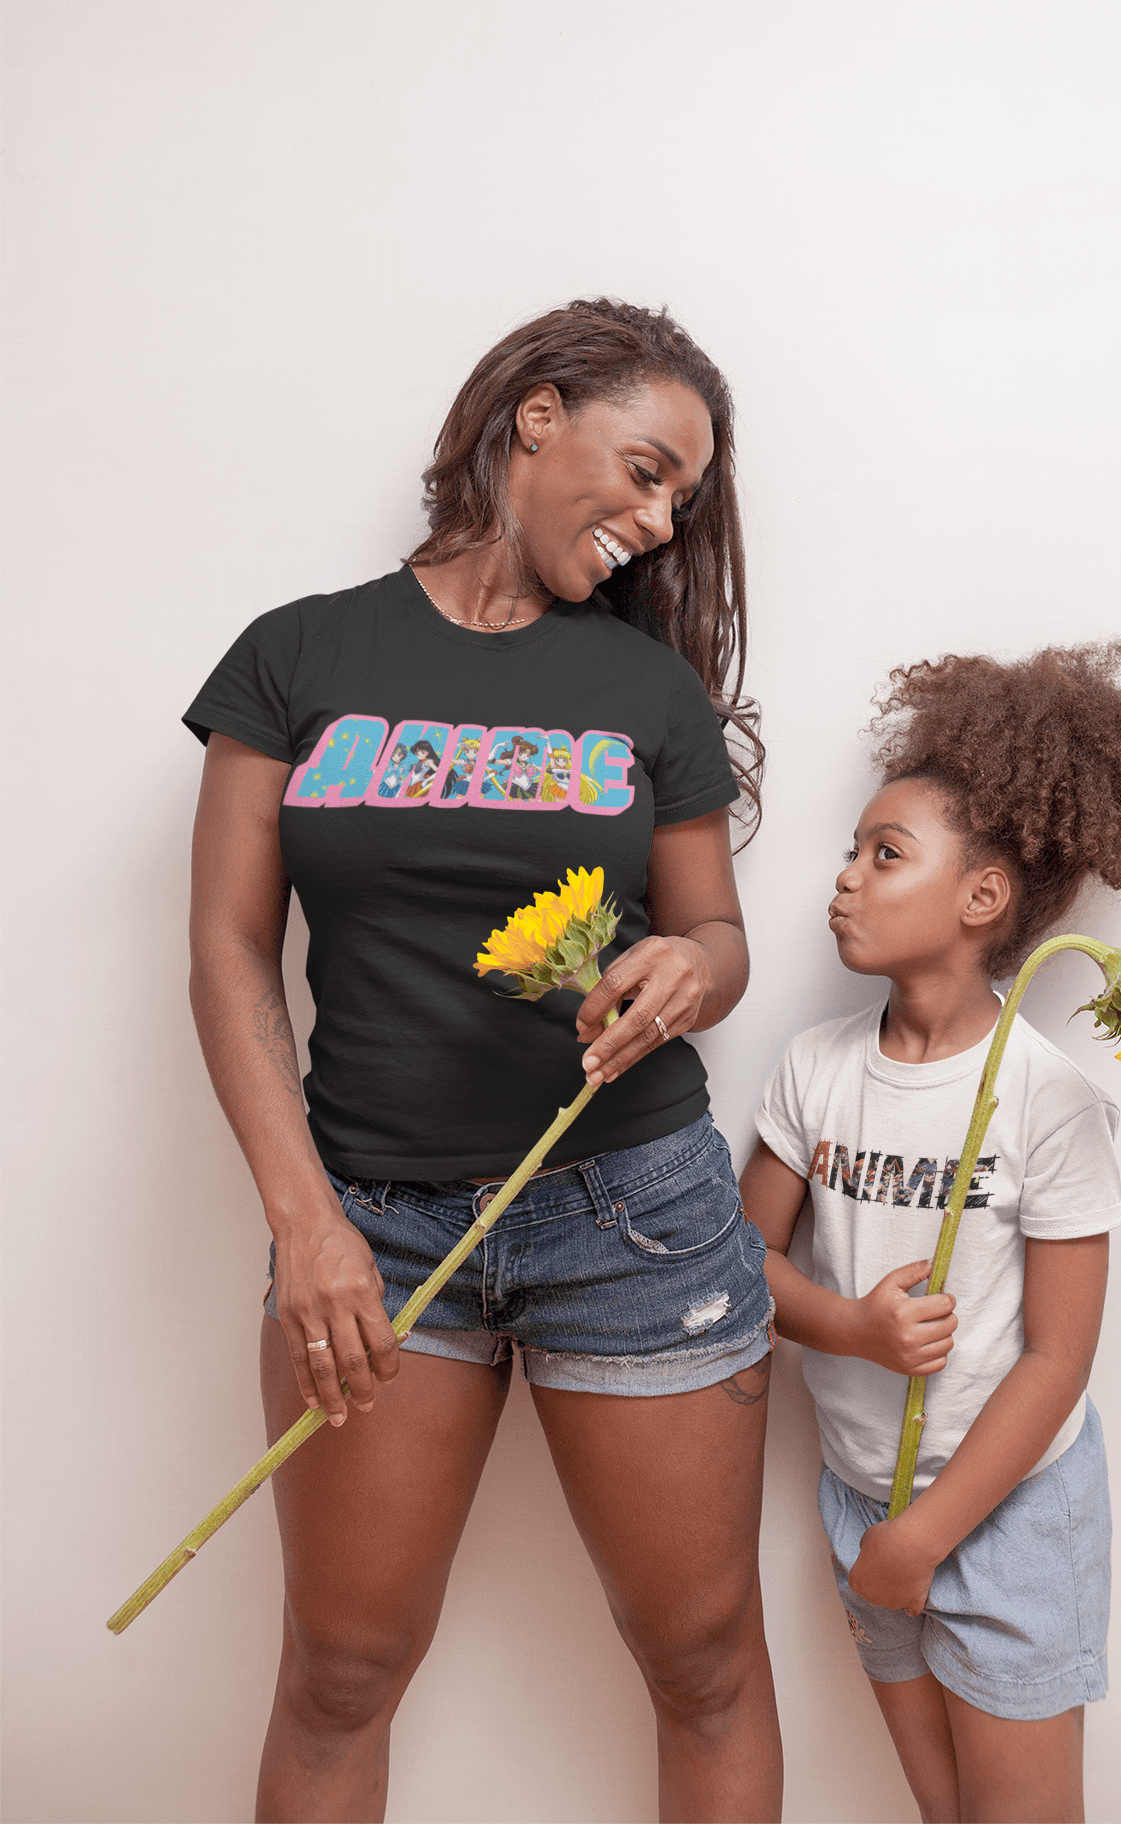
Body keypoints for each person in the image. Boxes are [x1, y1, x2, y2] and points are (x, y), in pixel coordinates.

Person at [183, 299, 778, 1824]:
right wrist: (307, 1222)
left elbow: (719, 936)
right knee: (337, 1669)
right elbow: (233, 954)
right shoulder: (297, 655)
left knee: (704, 1661)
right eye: (644, 472)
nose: (656, 522)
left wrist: (685, 974)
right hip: (371, 1226)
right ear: (536, 417)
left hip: (632, 1214)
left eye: (681, 503)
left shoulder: (645, 695)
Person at [740, 642, 1121, 1824]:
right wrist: (850, 1326)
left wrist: (929, 1533)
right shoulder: (812, 1071)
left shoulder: (1046, 1099)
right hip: (864, 1500)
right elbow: (741, 1264)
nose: (843, 880)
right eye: (849, 852)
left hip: (1006, 1513)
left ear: (983, 898)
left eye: (885, 856)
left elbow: (1058, 1358)